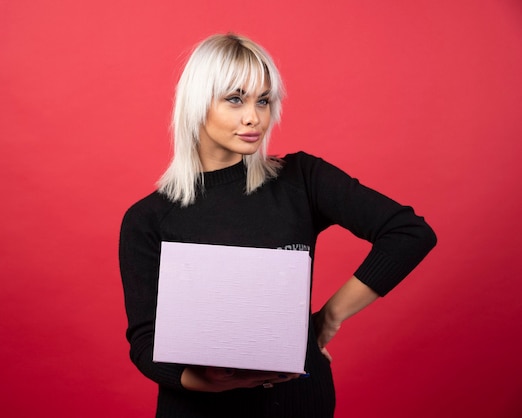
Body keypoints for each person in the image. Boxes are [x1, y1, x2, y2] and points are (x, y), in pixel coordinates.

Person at [118, 33, 436, 418]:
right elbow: (145, 341)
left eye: (264, 101)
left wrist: (327, 318)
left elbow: (408, 233)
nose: (255, 117)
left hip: (298, 403)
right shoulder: (148, 219)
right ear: (197, 104)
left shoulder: (301, 179)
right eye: (235, 99)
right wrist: (211, 381)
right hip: (199, 409)